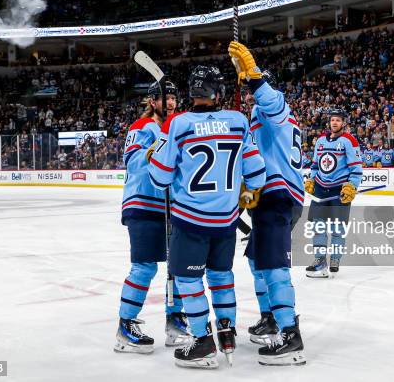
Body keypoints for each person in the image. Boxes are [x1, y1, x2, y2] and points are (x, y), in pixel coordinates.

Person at [148, 65, 266, 368]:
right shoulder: (239, 121)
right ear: (218, 92)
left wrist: (155, 155)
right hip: (226, 221)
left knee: (189, 280)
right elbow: (256, 173)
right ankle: (226, 331)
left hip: (190, 220)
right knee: (221, 277)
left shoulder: (178, 123)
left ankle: (202, 342)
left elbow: (159, 179)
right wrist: (246, 191)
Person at [229, 42, 307, 365]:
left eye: (253, 89)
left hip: (279, 197)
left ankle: (291, 334)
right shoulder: (260, 117)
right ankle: (271, 317)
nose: (250, 95)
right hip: (267, 197)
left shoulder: (274, 110)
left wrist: (255, 78)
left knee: (274, 265)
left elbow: (272, 102)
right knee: (255, 259)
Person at [115, 81, 190, 354]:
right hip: (143, 204)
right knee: (145, 266)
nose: (170, 102)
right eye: (164, 98)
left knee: (177, 267)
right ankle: (125, 326)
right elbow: (134, 161)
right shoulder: (141, 127)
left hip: (170, 207)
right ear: (151, 102)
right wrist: (161, 143)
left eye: (173, 97)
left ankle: (175, 321)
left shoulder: (176, 127)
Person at [304, 110, 362, 278]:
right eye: (332, 120)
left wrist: (351, 186)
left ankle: (335, 259)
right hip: (321, 190)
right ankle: (319, 259)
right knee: (318, 227)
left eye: (338, 120)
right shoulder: (321, 140)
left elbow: (356, 169)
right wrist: (312, 180)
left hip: (339, 191)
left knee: (338, 229)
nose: (334, 123)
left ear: (343, 122)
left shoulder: (349, 141)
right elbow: (315, 166)